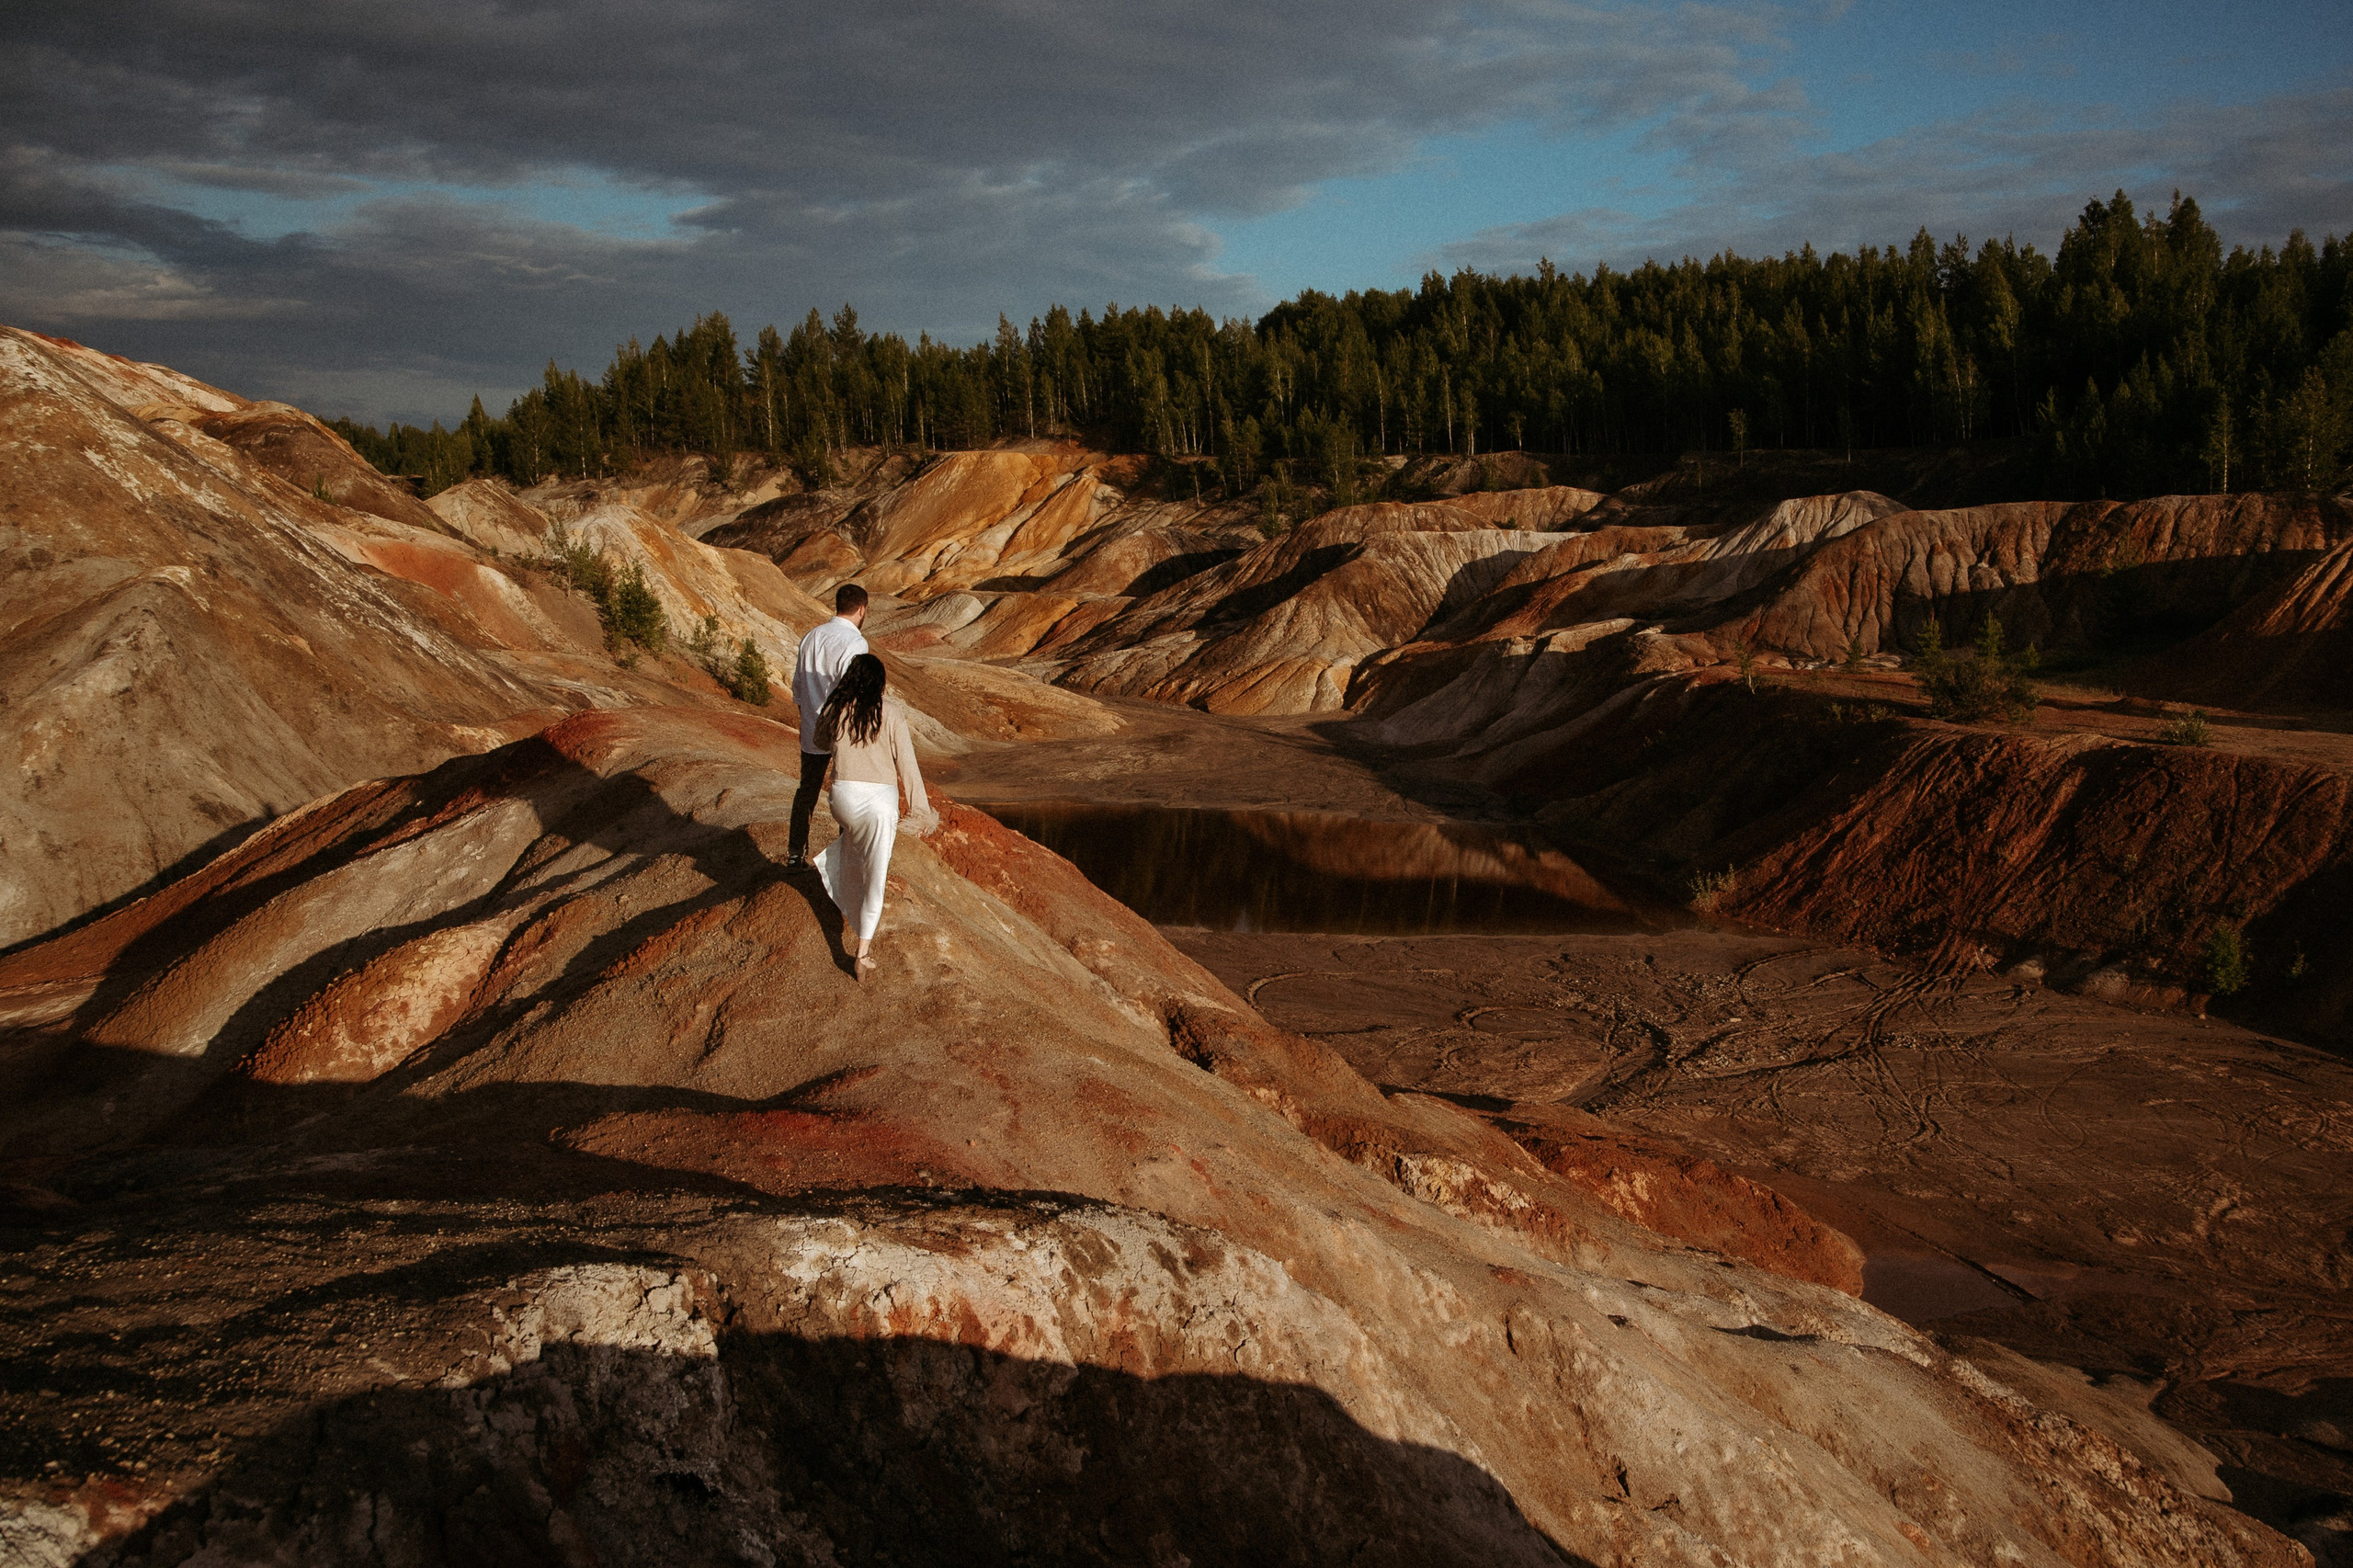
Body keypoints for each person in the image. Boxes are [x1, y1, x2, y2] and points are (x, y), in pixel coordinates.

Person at [813, 653, 935, 978]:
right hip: (879, 803)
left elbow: (818, 741)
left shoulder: (836, 708)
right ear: (879, 683)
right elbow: (908, 764)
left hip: (842, 799)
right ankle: (862, 953)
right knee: (875, 877)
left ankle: (842, 894)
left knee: (853, 845)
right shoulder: (891, 712)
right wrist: (920, 810)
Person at [786, 583, 870, 869]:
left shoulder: (811, 637)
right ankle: (844, 860)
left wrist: (808, 714)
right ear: (862, 609)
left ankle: (796, 854)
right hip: (842, 730)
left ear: (838, 605)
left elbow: (797, 687)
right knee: (847, 791)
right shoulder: (855, 643)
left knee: (806, 789)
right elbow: (854, 690)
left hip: (812, 726)